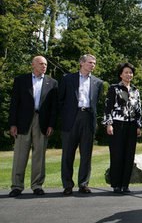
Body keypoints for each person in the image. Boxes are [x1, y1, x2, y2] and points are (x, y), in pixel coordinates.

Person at [8, 56, 58, 197]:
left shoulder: (52, 83)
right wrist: (13, 124)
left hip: (42, 122)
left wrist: (51, 125)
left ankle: (37, 185)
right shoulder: (21, 80)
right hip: (23, 121)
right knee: (20, 155)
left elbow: (54, 108)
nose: (44, 66)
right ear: (33, 65)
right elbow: (14, 104)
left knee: (39, 154)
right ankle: (17, 186)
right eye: (41, 64)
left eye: (46, 64)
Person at [59, 54, 104, 195]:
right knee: (68, 154)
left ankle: (83, 184)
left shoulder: (98, 82)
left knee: (86, 154)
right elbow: (60, 100)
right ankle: (67, 185)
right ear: (81, 63)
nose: (93, 65)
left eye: (94, 63)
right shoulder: (68, 79)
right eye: (90, 62)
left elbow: (96, 102)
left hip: (88, 118)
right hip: (71, 118)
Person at [103, 62, 142, 194]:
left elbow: (138, 110)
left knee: (129, 156)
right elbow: (108, 107)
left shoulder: (136, 90)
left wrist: (138, 126)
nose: (129, 74)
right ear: (120, 74)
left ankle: (125, 185)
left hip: (131, 125)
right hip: (117, 125)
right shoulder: (114, 88)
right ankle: (116, 185)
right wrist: (109, 124)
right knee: (117, 155)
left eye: (131, 72)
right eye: (126, 72)